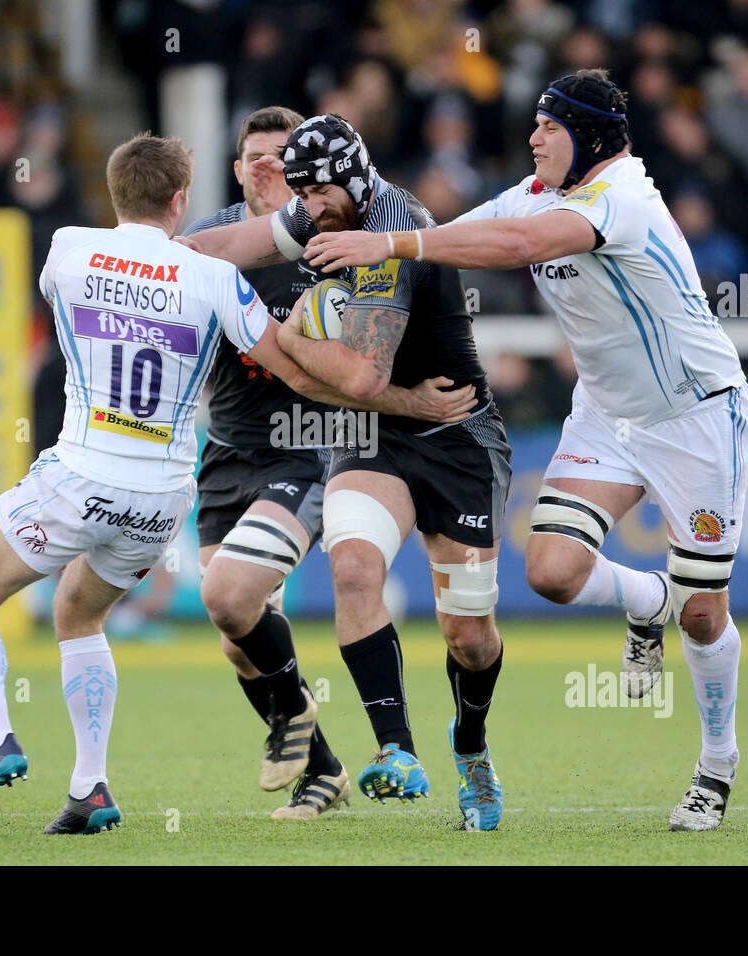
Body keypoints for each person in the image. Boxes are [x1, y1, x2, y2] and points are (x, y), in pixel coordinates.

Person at [0, 133, 462, 835]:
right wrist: (396, 392)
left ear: (117, 194)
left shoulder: (65, 249)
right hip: (165, 496)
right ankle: (91, 790)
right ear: (186, 198)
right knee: (81, 614)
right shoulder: (212, 275)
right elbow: (297, 370)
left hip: (84, 473)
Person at [305, 70, 748, 832]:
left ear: (593, 138)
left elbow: (514, 245)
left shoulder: (623, 199)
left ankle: (717, 765)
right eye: (536, 125)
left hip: (696, 416)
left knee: (706, 618)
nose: (533, 137)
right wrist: (375, 235)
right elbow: (461, 239)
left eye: (550, 127)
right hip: (609, 416)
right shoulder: (537, 192)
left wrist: (385, 236)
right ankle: (647, 601)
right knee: (549, 572)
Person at [185, 114, 513, 830]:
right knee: (355, 569)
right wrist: (151, 254)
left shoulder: (397, 227)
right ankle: (397, 751)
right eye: (299, 191)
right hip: (373, 442)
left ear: (356, 177)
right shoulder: (318, 212)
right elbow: (221, 243)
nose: (309, 206)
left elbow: (363, 378)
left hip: (458, 437)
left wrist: (287, 330)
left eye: (318, 190)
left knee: (468, 635)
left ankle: (472, 746)